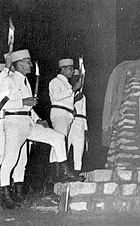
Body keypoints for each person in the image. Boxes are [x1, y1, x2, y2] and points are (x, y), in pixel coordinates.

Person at [0, 50, 82, 209]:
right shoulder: (7, 80)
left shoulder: (24, 81)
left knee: (58, 138)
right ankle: (5, 196)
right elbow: (1, 104)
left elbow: (28, 106)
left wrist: (38, 118)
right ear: (18, 63)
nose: (31, 64)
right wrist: (23, 101)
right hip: (14, 122)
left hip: (28, 122)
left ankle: (63, 172)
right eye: (28, 61)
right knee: (10, 159)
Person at [49, 58, 84, 181]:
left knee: (60, 143)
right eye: (70, 69)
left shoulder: (66, 83)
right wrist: (72, 90)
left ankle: (59, 174)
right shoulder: (56, 81)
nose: (72, 71)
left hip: (66, 115)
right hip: (60, 114)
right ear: (62, 69)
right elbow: (57, 96)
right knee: (58, 142)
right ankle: (56, 174)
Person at [68, 69, 88, 176]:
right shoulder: (67, 92)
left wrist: (85, 130)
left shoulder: (82, 96)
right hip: (69, 121)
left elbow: (84, 113)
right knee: (65, 147)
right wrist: (74, 99)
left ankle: (77, 172)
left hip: (79, 122)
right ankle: (62, 173)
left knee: (79, 149)